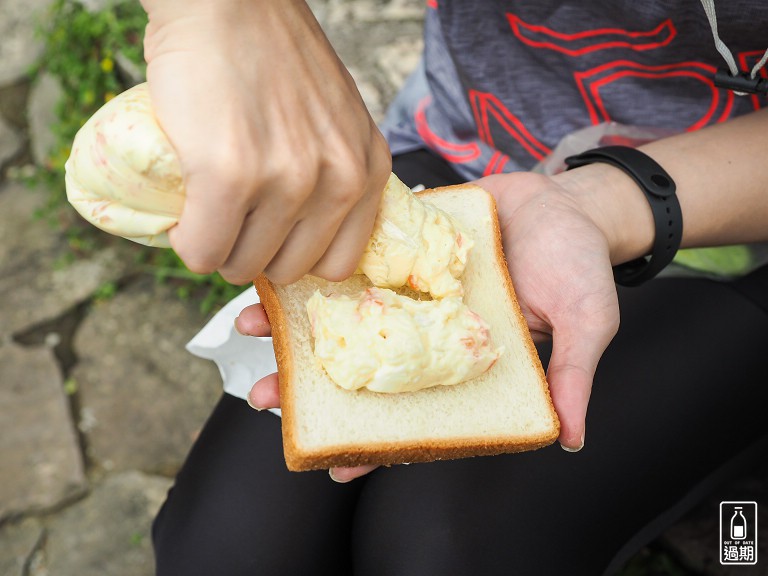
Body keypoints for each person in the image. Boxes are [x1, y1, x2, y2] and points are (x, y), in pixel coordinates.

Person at [141, 1, 768, 574]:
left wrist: (604, 205)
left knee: (443, 549)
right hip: (464, 151)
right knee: (223, 553)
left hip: (726, 231)